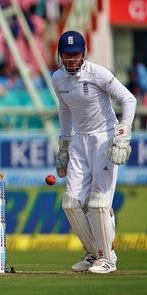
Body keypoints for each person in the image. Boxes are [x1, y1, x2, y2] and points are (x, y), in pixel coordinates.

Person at [52, 31, 136, 274]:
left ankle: (107, 259)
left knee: (99, 203)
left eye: (75, 55)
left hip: (104, 139)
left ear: (83, 53)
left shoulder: (98, 73)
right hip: (79, 141)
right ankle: (93, 254)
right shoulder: (58, 79)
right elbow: (65, 111)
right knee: (71, 203)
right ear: (60, 55)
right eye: (66, 55)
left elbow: (128, 100)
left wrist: (123, 134)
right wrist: (64, 147)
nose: (70, 60)